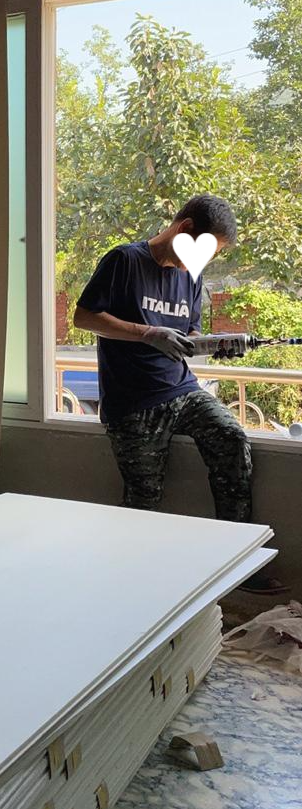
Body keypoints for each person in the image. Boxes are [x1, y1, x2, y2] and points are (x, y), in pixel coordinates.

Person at [73, 193, 284, 594]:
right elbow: (84, 317)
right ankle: (129, 582)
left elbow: (190, 334)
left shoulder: (191, 276)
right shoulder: (125, 261)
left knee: (231, 439)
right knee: (144, 497)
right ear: (184, 229)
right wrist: (147, 333)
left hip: (182, 390)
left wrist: (215, 344)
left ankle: (237, 561)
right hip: (132, 401)